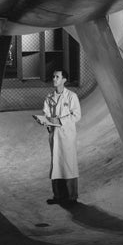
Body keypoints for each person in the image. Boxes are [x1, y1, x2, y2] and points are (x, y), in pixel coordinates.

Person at [34, 69, 81, 205]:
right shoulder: (49, 97)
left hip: (67, 135)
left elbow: (76, 115)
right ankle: (58, 196)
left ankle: (71, 197)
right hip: (54, 135)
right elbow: (46, 112)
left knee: (68, 164)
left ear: (64, 80)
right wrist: (44, 121)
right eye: (53, 76)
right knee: (56, 164)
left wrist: (59, 121)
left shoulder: (71, 96)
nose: (54, 79)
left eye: (57, 77)